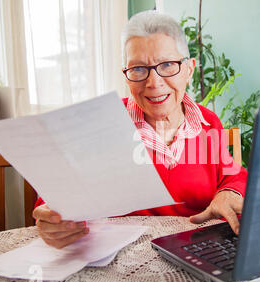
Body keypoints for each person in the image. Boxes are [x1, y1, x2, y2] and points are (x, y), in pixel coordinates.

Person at [32, 10, 248, 249]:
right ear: (126, 75)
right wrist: (54, 220)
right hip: (123, 260)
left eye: (167, 65)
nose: (153, 83)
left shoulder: (208, 122)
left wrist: (231, 192)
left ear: (189, 69)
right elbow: (59, 194)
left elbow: (233, 175)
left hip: (195, 253)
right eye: (138, 69)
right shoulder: (102, 123)